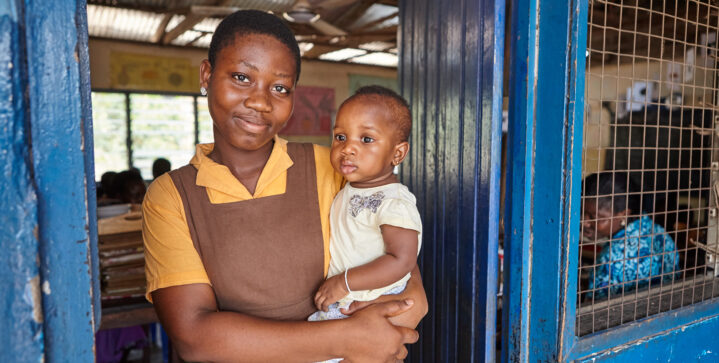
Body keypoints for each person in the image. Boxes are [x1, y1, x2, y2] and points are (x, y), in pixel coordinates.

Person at [142, 10, 427, 362]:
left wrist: (371, 334)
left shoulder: (333, 167)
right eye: (242, 77)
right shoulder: (172, 196)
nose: (260, 101)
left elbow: (409, 291)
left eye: (280, 88)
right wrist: (348, 337)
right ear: (207, 75)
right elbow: (196, 337)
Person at [310, 86, 421, 330]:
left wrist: (344, 283)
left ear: (398, 153)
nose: (347, 148)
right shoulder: (350, 188)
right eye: (340, 137)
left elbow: (402, 260)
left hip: (366, 300)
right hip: (348, 299)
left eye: (366, 139)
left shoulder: (394, 201)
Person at [581, 172, 680, 300]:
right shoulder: (657, 231)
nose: (584, 222)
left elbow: (592, 313)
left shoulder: (610, 259)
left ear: (623, 214)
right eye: (582, 212)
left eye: (593, 217)